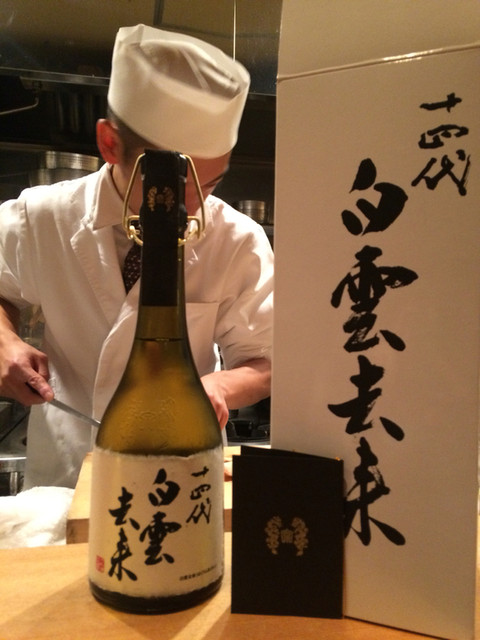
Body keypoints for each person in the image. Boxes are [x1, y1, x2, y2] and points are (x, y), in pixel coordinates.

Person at [0, 25, 273, 489]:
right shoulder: (42, 216)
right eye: (172, 185)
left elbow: (265, 360)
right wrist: (5, 343)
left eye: (210, 184)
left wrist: (217, 387)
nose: (192, 208)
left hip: (183, 474)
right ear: (110, 144)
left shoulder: (237, 239)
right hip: (67, 475)